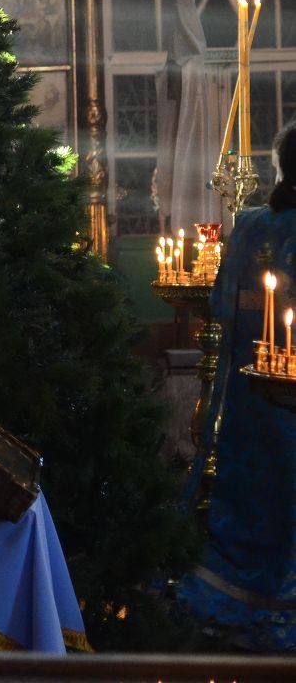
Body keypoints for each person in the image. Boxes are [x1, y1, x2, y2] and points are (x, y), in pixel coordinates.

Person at [178, 123, 296, 649]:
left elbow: (224, 302)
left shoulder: (250, 226)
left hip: (256, 387)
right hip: (274, 389)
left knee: (259, 493)